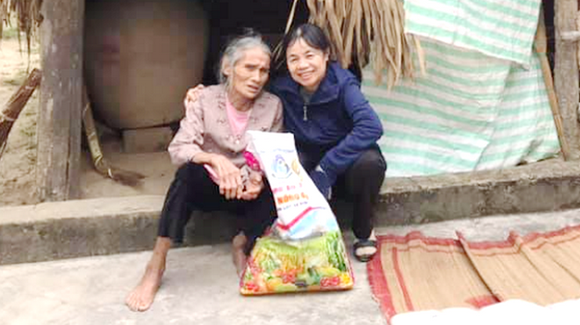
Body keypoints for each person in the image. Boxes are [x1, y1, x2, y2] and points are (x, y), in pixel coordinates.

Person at [184, 23, 387, 262]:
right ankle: (301, 229)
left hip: (345, 160)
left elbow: (371, 126)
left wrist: (328, 167)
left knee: (370, 163)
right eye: (294, 59)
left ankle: (364, 228)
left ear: (326, 55)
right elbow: (243, 87)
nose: (302, 66)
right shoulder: (282, 86)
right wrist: (202, 93)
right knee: (282, 162)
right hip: (307, 160)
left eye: (310, 55)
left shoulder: (344, 84)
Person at [125, 33, 282, 312]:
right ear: (227, 67)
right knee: (186, 175)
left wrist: (258, 179)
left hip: (247, 194)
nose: (257, 77)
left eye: (263, 71)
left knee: (281, 182)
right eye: (249, 68)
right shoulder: (204, 99)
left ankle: (241, 243)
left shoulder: (272, 106)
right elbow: (179, 148)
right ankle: (157, 263)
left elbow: (272, 153)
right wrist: (213, 159)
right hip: (212, 187)